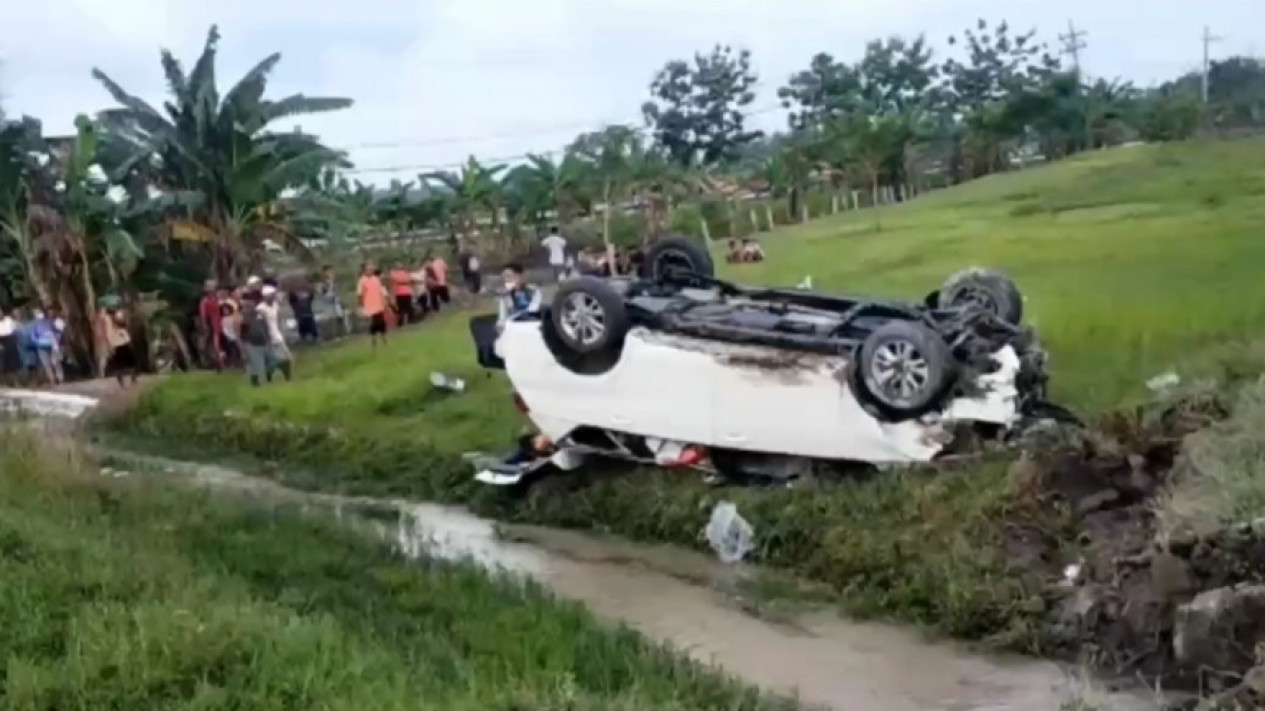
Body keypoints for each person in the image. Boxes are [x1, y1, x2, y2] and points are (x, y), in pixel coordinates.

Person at [257, 285, 292, 381]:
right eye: (272, 295)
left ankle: (286, 377)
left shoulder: (275, 305)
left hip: (278, 335)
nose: (274, 297)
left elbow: (279, 320)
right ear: (266, 296)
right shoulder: (260, 308)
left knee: (286, 358)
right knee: (277, 359)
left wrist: (282, 332)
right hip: (269, 337)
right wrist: (266, 338)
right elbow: (261, 325)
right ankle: (269, 377)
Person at [238, 291, 272, 387]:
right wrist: (242, 348)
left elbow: (266, 327)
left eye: (251, 301)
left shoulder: (260, 313)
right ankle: (261, 383)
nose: (249, 303)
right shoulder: (241, 316)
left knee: (264, 364)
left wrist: (268, 339)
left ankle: (256, 382)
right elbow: (239, 333)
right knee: (258, 364)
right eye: (246, 301)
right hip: (250, 342)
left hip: (263, 341)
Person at [100, 304, 139, 387]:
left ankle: (131, 379)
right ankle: (124, 381)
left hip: (121, 341)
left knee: (129, 363)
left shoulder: (115, 317)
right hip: (117, 342)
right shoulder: (107, 319)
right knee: (120, 365)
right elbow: (106, 330)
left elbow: (123, 324)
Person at [496, 263, 541, 329]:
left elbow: (532, 310)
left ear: (520, 276)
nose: (507, 280)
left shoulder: (533, 290)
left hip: (530, 324)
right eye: (505, 277)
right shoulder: (505, 295)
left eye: (509, 276)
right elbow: (502, 317)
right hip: (512, 327)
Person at [357, 261, 389, 347]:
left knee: (381, 322)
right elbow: (359, 294)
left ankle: (383, 338)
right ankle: (373, 339)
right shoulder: (362, 281)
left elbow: (380, 291)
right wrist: (361, 306)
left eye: (371, 269)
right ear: (364, 270)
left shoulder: (376, 279)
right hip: (369, 306)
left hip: (378, 304)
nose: (370, 270)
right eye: (368, 269)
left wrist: (384, 301)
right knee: (374, 323)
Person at [197, 279, 223, 370]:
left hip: (218, 322)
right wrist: (204, 324)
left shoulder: (218, 298)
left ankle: (218, 360)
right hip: (211, 323)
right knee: (212, 344)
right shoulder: (205, 301)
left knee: (215, 343)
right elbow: (203, 314)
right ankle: (216, 361)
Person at [317, 265, 349, 338]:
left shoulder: (335, 282)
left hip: (337, 302)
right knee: (332, 319)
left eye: (331, 271)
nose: (331, 273)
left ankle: (342, 334)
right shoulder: (323, 283)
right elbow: (321, 293)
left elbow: (339, 292)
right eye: (329, 272)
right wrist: (327, 295)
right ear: (325, 273)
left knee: (340, 317)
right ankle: (335, 336)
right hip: (329, 303)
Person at [288, 278, 319, 345]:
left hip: (308, 311)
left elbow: (311, 297)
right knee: (301, 326)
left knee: (312, 325)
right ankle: (304, 339)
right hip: (299, 312)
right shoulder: (292, 292)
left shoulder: (306, 291)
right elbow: (291, 302)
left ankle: (314, 338)